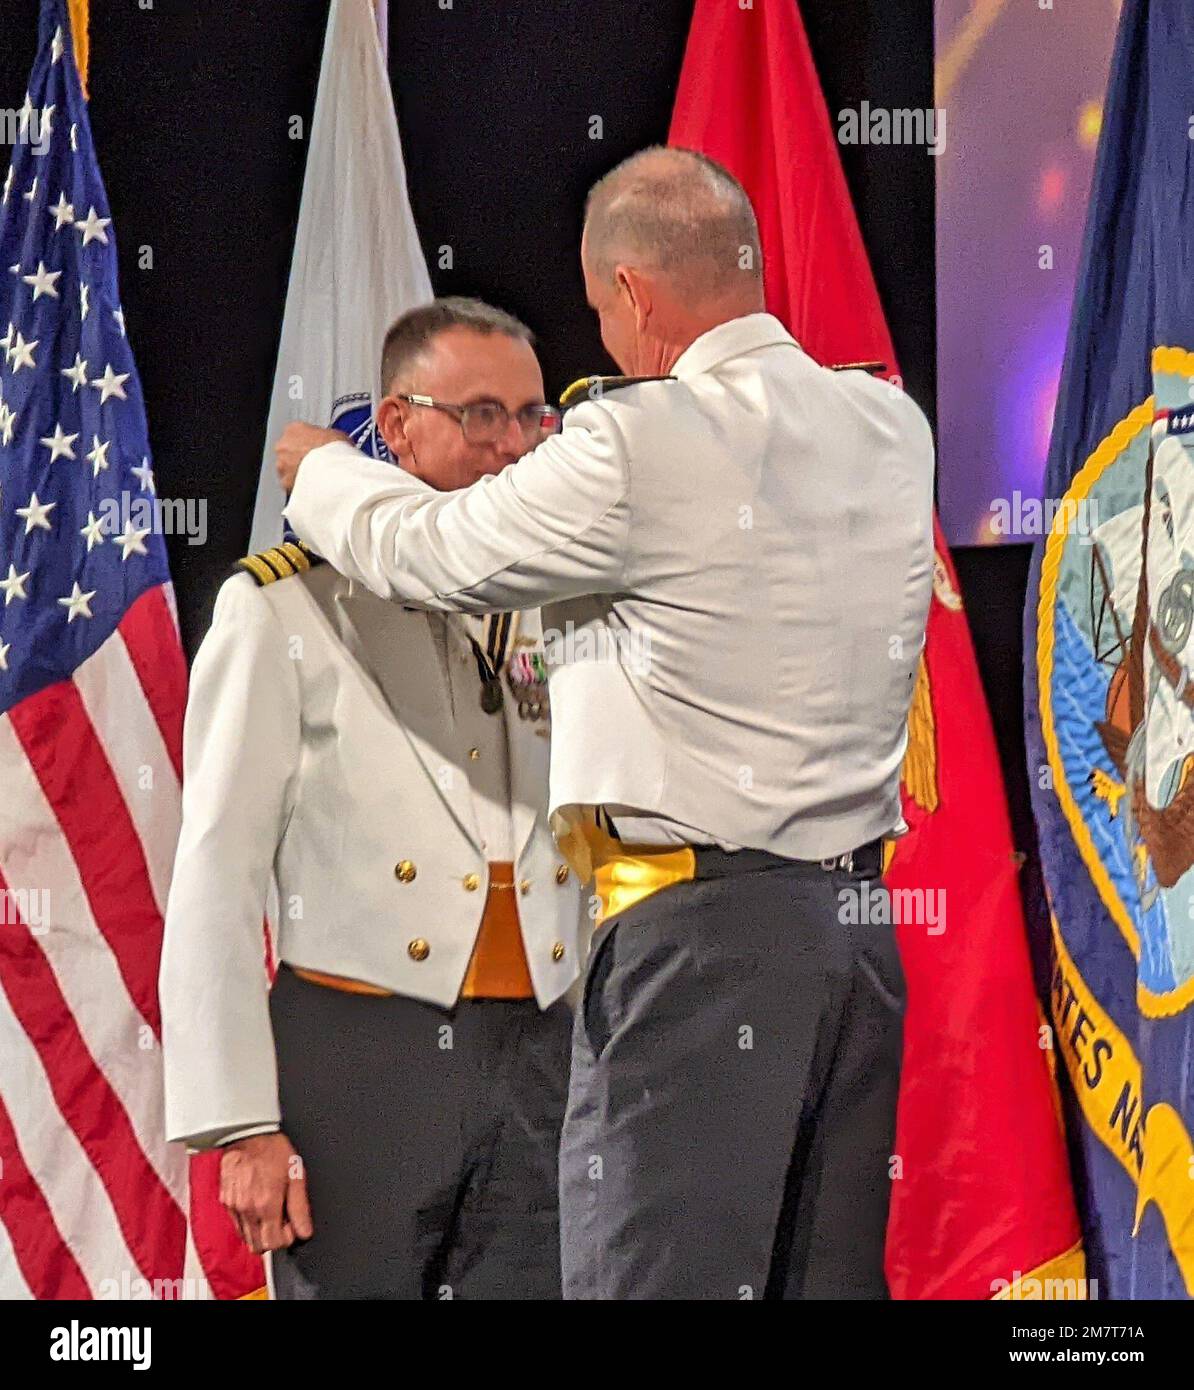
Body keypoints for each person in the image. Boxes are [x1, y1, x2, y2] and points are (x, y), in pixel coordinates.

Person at [275, 148, 936, 1299]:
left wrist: (328, 473)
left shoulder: (637, 443)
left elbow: (429, 555)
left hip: (701, 942)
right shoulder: (891, 425)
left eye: (600, 313)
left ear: (634, 295)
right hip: (857, 934)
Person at [160, 297, 585, 1300]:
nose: (512, 446)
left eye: (532, 418)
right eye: (482, 414)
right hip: (356, 1057)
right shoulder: (281, 607)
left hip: (541, 1049)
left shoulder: (559, 600)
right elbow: (215, 875)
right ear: (395, 424)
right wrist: (241, 1122)